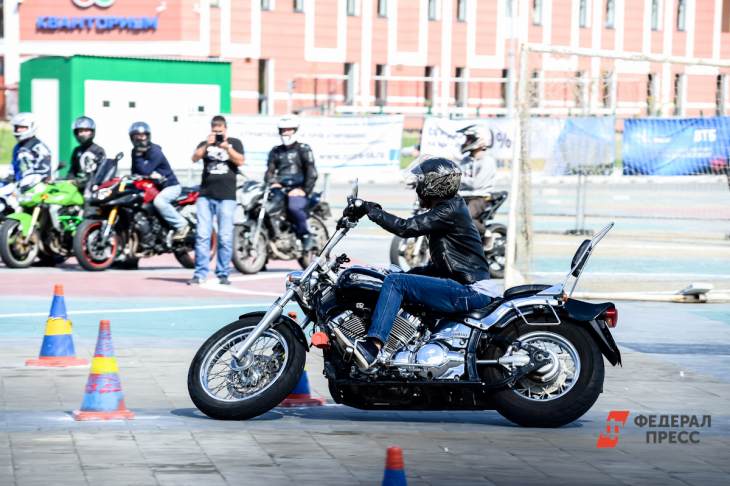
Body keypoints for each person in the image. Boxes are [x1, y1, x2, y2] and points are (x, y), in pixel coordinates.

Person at [347, 157, 499, 368]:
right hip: (463, 284)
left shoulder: (449, 209)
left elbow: (405, 228)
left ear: (435, 184)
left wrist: (370, 211)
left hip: (470, 290)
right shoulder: (451, 206)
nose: (418, 186)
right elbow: (446, 265)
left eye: (421, 181)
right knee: (396, 276)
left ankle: (373, 346)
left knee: (396, 282)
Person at [188, 115, 245, 286]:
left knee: (225, 237)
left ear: (226, 130)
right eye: (215, 131)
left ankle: (223, 273)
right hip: (205, 195)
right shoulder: (206, 143)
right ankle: (200, 273)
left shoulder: (234, 142)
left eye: (220, 131)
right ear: (211, 130)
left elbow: (240, 161)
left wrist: (227, 147)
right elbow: (194, 158)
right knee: (202, 236)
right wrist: (207, 144)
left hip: (227, 196)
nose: (218, 134)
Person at [264, 115, 318, 252]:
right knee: (263, 208)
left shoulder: (303, 149)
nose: (286, 133)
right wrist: (272, 182)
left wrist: (303, 190)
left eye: (289, 130)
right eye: (283, 130)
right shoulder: (275, 151)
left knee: (294, 207)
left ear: (295, 130)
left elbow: (312, 172)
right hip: (280, 189)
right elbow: (269, 171)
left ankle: (306, 235)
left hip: (298, 189)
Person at [128, 121, 189, 240]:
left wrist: (139, 155)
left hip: (170, 186)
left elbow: (145, 171)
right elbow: (135, 171)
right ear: (132, 138)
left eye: (143, 135)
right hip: (155, 188)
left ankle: (182, 225)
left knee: (159, 202)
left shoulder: (155, 151)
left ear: (148, 136)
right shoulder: (134, 152)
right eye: (137, 136)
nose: (140, 139)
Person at [455, 124, 497, 235]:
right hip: (463, 196)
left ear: (480, 140)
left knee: (465, 218)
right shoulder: (465, 160)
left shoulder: (488, 161)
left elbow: (476, 184)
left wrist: (456, 178)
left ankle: (487, 233)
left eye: (469, 139)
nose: (466, 142)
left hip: (480, 197)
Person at [10, 112, 53, 188]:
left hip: (36, 186)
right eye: (17, 127)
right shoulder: (17, 147)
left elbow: (44, 171)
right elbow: (14, 167)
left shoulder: (39, 148)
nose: (19, 130)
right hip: (17, 184)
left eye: (22, 127)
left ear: (32, 127)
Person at [67, 116, 106, 191]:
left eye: (86, 131)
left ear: (92, 132)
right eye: (80, 131)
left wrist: (86, 181)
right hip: (77, 187)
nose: (83, 134)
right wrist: (69, 180)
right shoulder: (77, 150)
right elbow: (72, 171)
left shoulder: (98, 150)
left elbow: (101, 173)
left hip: (93, 188)